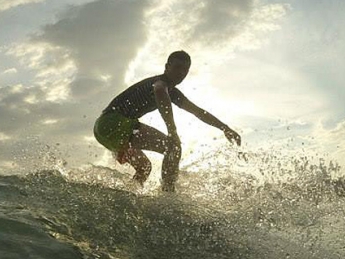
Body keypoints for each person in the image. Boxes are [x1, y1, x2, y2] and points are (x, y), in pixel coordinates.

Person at [93, 51, 241, 192]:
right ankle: (168, 194)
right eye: (177, 67)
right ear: (167, 67)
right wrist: (172, 131)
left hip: (102, 129)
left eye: (185, 70)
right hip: (114, 122)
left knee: (144, 167)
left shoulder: (174, 93)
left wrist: (225, 128)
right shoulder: (161, 82)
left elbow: (198, 112)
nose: (181, 73)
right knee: (173, 146)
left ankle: (127, 197)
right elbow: (159, 91)